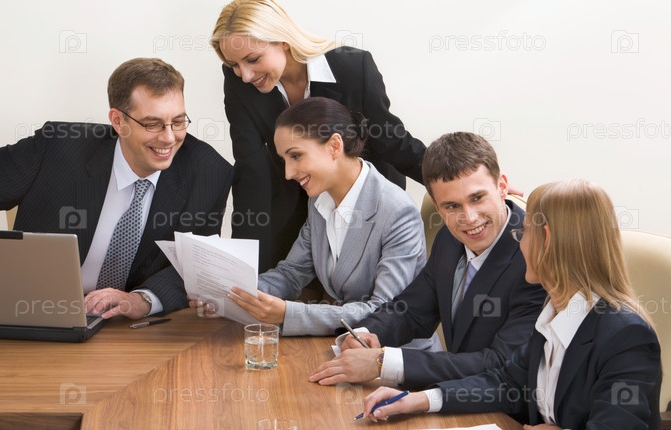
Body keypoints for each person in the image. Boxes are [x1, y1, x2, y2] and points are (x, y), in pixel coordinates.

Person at [361, 179, 671, 430]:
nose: (519, 242)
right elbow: (505, 383)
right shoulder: (552, 313)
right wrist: (419, 399)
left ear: (546, 239)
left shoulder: (626, 337)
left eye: (523, 233)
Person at [0, 58, 233, 320]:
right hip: (29, 313)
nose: (169, 137)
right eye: (153, 124)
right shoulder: (57, 149)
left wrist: (142, 300)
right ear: (118, 121)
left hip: (131, 331)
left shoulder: (209, 172)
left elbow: (195, 264)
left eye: (178, 121)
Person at [309, 132, 545, 388]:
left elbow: (502, 363)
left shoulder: (537, 255)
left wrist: (383, 362)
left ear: (502, 186)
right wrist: (367, 334)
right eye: (452, 206)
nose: (469, 218)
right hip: (456, 396)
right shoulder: (449, 239)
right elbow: (412, 310)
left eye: (477, 198)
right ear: (437, 205)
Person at [191, 97, 436, 343]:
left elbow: (383, 312)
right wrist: (230, 294)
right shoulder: (320, 201)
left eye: (296, 156)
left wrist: (288, 313)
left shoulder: (397, 212)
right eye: (284, 160)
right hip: (345, 344)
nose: (288, 173)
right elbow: (291, 273)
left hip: (394, 353)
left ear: (334, 146)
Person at [210, 0, 425, 271]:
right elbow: (250, 167)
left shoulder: (352, 67)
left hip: (359, 200)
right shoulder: (237, 81)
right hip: (295, 198)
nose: (245, 75)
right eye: (234, 64)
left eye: (253, 60)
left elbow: (390, 140)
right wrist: (242, 261)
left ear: (283, 41)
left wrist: (452, 179)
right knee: (275, 276)